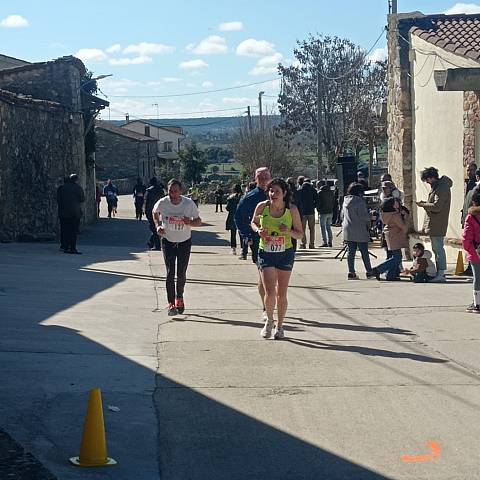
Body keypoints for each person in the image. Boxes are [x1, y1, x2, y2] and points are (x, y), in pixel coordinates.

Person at [251, 178, 303, 339]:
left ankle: (280, 326)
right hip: (265, 252)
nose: (273, 194)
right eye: (271, 191)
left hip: (285, 253)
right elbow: (253, 222)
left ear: (284, 193)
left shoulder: (291, 210)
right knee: (269, 291)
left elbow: (300, 234)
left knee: (282, 293)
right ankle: (269, 321)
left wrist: (288, 231)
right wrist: (258, 230)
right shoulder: (262, 206)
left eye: (277, 192)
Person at [153, 179, 202, 316]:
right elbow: (154, 212)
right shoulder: (163, 202)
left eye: (175, 191)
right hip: (168, 241)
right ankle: (171, 303)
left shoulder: (188, 204)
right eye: (170, 191)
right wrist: (158, 225)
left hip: (184, 242)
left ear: (181, 191)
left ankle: (179, 296)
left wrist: (190, 222)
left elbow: (199, 221)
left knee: (181, 273)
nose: (172, 194)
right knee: (170, 272)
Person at [235, 167, 272, 316]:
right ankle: (266, 307)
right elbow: (239, 218)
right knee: (263, 274)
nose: (263, 179)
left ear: (270, 177)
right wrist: (247, 237)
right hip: (258, 240)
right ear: (255, 178)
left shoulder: (278, 194)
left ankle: (273, 303)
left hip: (279, 240)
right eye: (260, 176)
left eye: (266, 176)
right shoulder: (249, 197)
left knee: (275, 276)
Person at [416, 167, 453, 283]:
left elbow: (437, 206)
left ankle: (441, 273)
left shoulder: (441, 188)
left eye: (427, 180)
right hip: (435, 223)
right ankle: (439, 272)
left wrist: (423, 205)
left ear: (432, 177)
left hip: (438, 223)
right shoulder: (438, 187)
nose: (427, 182)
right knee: (436, 248)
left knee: (438, 249)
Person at [370, 197, 408, 281]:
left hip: (390, 235)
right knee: (397, 257)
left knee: (395, 256)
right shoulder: (395, 215)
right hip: (396, 235)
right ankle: (378, 269)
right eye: (395, 202)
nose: (398, 203)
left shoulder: (386, 214)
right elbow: (402, 226)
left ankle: (391, 275)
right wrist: (404, 217)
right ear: (392, 205)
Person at [342, 182, 374, 280]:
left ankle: (351, 272)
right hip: (359, 228)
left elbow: (341, 215)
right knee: (364, 251)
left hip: (348, 228)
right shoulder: (359, 201)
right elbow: (363, 216)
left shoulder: (345, 200)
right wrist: (371, 216)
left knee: (351, 252)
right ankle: (369, 271)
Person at [57, 174, 85, 254]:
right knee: (73, 231)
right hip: (75, 213)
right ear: (76, 180)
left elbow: (58, 200)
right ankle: (72, 248)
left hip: (63, 213)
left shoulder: (61, 188)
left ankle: (65, 247)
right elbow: (82, 199)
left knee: (65, 230)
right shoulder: (78, 188)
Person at [462, 190, 480, 312]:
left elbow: (466, 238)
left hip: (476, 252)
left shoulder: (471, 217)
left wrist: (470, 251)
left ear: (473, 202)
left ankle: (477, 304)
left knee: (477, 279)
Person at [144, 177, 165, 250]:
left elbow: (146, 202)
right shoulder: (161, 190)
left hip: (151, 211)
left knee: (153, 227)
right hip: (159, 211)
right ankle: (151, 242)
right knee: (155, 226)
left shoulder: (149, 191)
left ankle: (157, 245)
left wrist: (145, 211)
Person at [297, 177, 318, 248]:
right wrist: (313, 206)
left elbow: (297, 201)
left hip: (302, 212)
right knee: (312, 228)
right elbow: (317, 200)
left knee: (302, 228)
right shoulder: (313, 190)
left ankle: (303, 243)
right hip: (311, 212)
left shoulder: (299, 190)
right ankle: (311, 244)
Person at [225, 184, 243, 255]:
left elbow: (227, 208)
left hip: (232, 217)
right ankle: (242, 249)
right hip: (241, 217)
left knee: (233, 234)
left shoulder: (231, 197)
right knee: (242, 234)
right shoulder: (243, 197)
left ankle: (233, 249)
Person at [316, 181, 334, 247]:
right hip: (330, 211)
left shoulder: (320, 193)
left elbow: (318, 203)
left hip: (323, 212)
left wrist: (318, 210)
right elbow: (333, 202)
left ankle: (325, 242)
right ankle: (330, 241)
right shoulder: (331, 192)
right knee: (328, 227)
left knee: (323, 227)